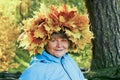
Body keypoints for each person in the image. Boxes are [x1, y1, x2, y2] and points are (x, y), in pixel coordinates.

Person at [18, 3, 92, 80]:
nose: (59, 45)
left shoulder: (68, 60)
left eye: (63, 40)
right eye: (53, 40)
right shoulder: (35, 71)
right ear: (44, 43)